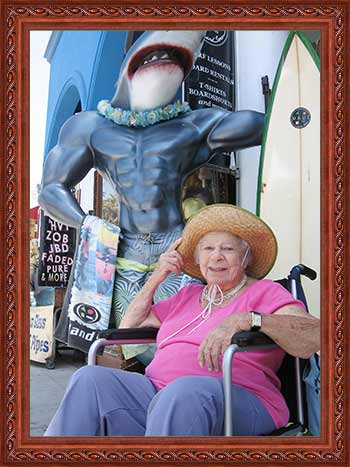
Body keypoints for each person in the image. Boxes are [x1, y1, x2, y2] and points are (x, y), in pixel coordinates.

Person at [38, 30, 265, 361]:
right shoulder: (89, 127)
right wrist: (89, 224)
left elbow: (266, 125)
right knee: (130, 342)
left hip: (177, 246)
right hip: (123, 247)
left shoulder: (192, 126)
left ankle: (176, 395)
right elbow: (50, 190)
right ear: (128, 61)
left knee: (183, 337)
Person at [44, 204, 320, 437]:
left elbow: (313, 336)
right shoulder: (187, 294)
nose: (217, 257)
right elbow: (129, 326)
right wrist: (157, 277)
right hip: (158, 393)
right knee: (89, 379)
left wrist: (246, 319)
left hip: (240, 398)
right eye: (208, 249)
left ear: (246, 258)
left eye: (228, 249)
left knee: (182, 392)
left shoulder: (265, 292)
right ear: (198, 259)